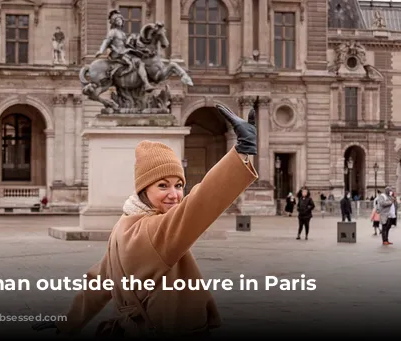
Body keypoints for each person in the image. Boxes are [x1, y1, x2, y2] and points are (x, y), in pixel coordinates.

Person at [32, 104, 258, 338]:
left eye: (179, 185)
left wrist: (65, 322)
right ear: (143, 190)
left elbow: (98, 284)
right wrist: (241, 152)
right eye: (162, 185)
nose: (174, 194)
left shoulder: (124, 225)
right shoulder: (155, 231)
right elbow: (201, 203)